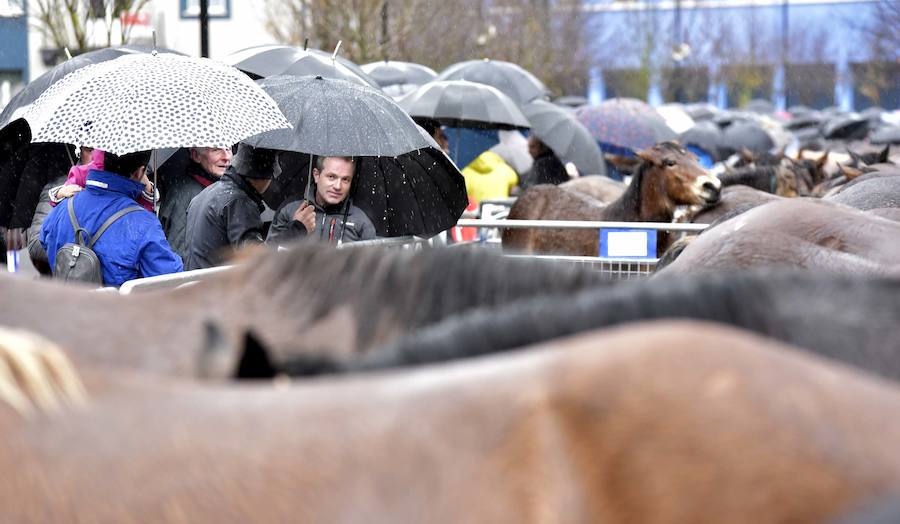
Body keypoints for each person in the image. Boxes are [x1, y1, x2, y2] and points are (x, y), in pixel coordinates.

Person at [39, 150, 183, 287]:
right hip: (117, 311)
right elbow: (169, 280)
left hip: (66, 309)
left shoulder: (62, 209)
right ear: (140, 172)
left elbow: (45, 241)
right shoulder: (143, 224)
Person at [184, 143, 278, 271]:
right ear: (265, 177)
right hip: (218, 288)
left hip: (198, 286)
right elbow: (259, 263)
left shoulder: (203, 195)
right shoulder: (239, 202)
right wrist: (295, 229)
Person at [267, 156, 376, 247]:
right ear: (316, 175)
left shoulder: (361, 220)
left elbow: (372, 267)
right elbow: (268, 255)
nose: (338, 186)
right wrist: (296, 229)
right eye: (331, 177)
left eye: (345, 179)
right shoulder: (290, 210)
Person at [159, 146, 233, 263]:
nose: (226, 157)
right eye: (216, 150)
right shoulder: (184, 194)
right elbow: (179, 254)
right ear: (196, 155)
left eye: (228, 149)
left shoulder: (220, 188)